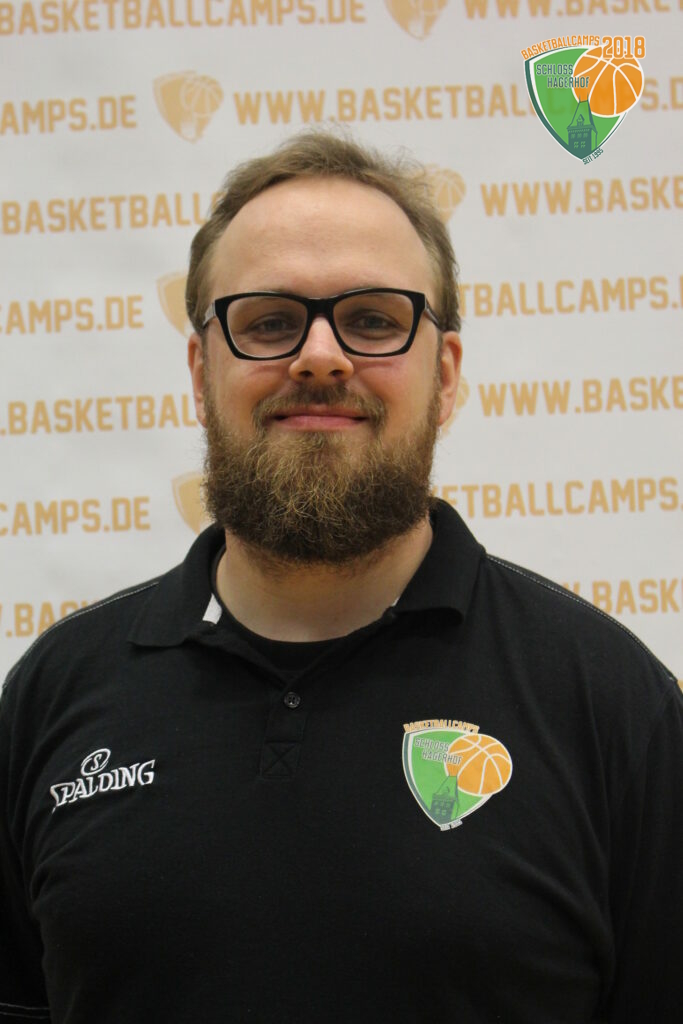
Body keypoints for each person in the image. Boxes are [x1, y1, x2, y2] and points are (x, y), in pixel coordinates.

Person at [0, 131, 680, 1024]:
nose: (320, 356)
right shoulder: (53, 695)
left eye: (372, 320)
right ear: (201, 370)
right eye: (268, 322)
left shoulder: (612, 705)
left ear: (444, 374)